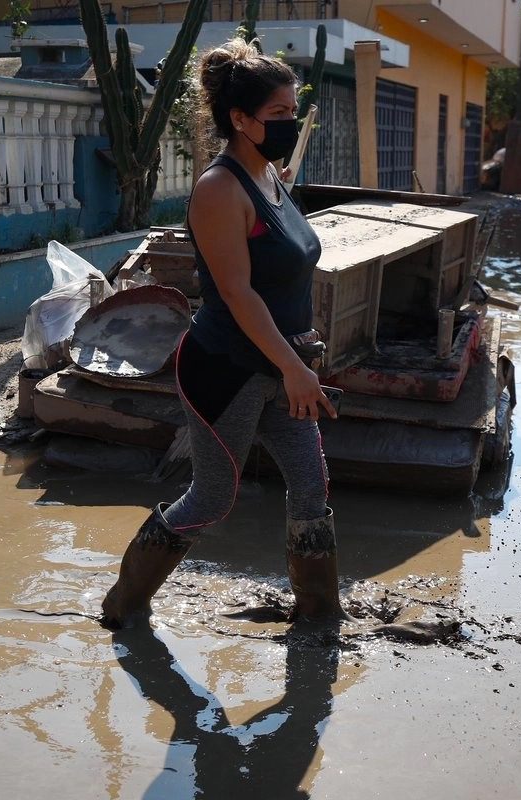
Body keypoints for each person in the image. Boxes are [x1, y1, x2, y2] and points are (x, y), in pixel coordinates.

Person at [101, 38, 347, 630]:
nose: (290, 123)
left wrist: (292, 364)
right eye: (279, 115)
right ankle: (123, 607)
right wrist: (294, 368)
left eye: (294, 111)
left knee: (312, 490)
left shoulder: (270, 180)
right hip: (228, 370)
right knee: (212, 501)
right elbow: (237, 294)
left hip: (281, 364)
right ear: (239, 119)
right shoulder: (219, 190)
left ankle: (318, 622)